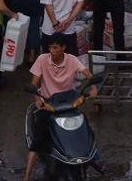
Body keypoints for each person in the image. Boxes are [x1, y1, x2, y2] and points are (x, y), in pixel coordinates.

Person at [22, 35, 89, 181]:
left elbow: (88, 75)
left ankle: (93, 158)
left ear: (63, 48)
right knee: (37, 142)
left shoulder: (72, 59)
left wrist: (93, 88)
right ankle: (27, 176)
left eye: (55, 47)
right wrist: (37, 98)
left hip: (69, 105)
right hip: (49, 106)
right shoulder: (42, 59)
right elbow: (34, 84)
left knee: (85, 130)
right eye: (50, 47)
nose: (52, 51)